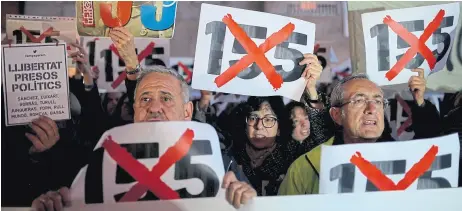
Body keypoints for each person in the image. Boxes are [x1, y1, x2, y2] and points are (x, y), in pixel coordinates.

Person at [31, 29, 256, 211]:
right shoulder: (101, 157)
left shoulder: (220, 162)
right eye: (145, 99)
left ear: (188, 111)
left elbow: (247, 199)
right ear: (134, 109)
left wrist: (247, 200)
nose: (154, 107)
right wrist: (50, 203)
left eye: (166, 98)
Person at [278, 69, 441, 195]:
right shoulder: (304, 168)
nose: (371, 109)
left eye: (378, 101)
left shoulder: (409, 163)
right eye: (359, 100)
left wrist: (420, 103)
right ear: (337, 115)